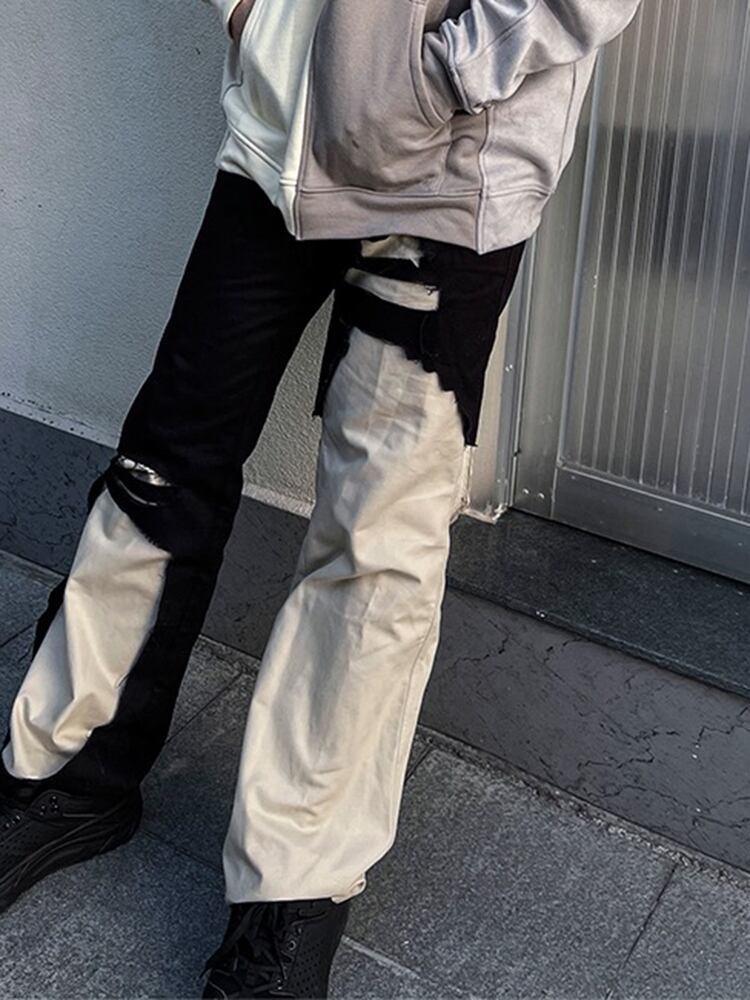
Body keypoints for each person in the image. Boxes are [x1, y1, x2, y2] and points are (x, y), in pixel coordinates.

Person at [0, 1, 644, 996]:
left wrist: (436, 77)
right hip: (277, 143)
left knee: (376, 537)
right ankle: (70, 770)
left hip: (454, 175)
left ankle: (292, 889)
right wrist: (254, 15)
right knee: (163, 464)